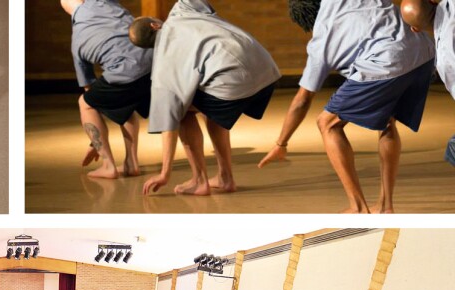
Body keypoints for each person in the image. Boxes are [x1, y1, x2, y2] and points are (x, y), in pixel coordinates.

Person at [258, 0, 435, 213]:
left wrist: (281, 143)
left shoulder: (320, 40)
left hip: (385, 62)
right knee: (387, 121)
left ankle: (358, 207)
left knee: (327, 123)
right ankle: (385, 207)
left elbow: (302, 100)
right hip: (424, 51)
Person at [130, 0, 280, 197]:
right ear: (155, 24)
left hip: (234, 81)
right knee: (208, 106)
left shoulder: (161, 72)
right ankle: (225, 177)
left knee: (183, 113)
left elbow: (169, 124)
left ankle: (199, 181)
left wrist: (164, 173)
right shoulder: (183, 10)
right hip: (266, 68)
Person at [60, 0, 153, 179]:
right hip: (156, 61)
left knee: (85, 104)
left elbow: (90, 93)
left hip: (126, 73)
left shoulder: (77, 41)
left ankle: (108, 165)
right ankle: (131, 163)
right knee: (124, 103)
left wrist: (95, 142)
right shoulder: (106, 3)